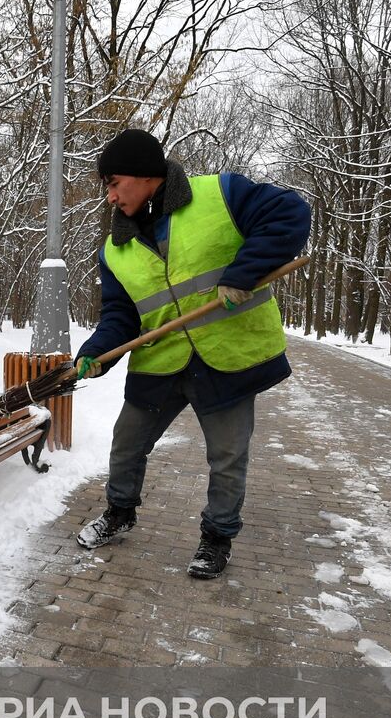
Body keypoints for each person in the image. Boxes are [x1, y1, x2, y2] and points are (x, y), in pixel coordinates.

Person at [73, 128, 310, 578]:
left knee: (227, 456)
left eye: (113, 182)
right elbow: (120, 315)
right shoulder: (114, 249)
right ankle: (119, 513)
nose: (110, 197)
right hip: (161, 362)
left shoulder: (219, 194)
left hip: (227, 359)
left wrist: (245, 272)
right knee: (126, 444)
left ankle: (216, 539)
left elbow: (290, 212)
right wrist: (98, 351)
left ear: (144, 176)